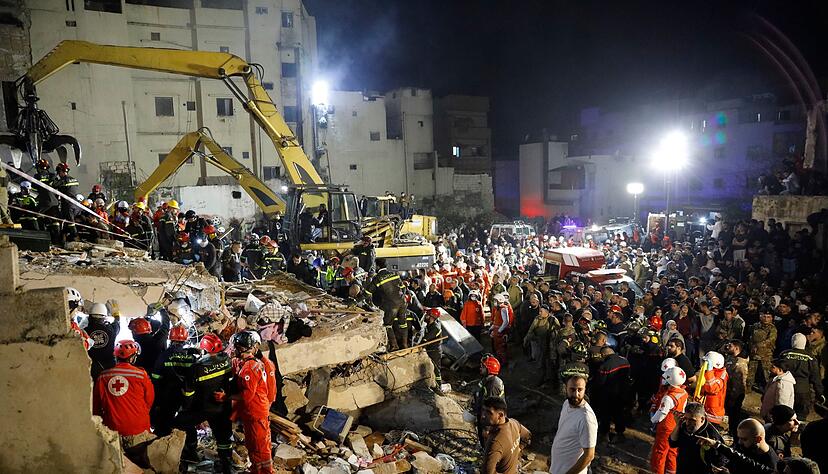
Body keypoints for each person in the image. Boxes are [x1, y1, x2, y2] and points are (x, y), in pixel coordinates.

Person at [178, 333, 234, 472]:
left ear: (203, 349)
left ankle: (189, 453)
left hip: (202, 408)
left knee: (180, 423)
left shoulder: (196, 368)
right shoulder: (226, 360)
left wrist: (185, 408)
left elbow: (188, 393)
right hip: (222, 406)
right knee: (224, 438)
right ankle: (226, 465)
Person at [93, 340, 155, 446]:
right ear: (132, 357)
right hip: (139, 429)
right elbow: (149, 400)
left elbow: (96, 406)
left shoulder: (103, 376)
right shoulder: (141, 375)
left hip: (113, 429)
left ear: (115, 356)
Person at [231, 331, 277, 474]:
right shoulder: (253, 363)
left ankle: (265, 471)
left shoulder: (251, 367)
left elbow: (247, 395)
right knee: (253, 443)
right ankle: (256, 469)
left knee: (260, 445)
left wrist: (227, 396)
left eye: (236, 347)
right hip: (252, 410)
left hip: (256, 410)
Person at [150, 324, 196, 436]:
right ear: (185, 340)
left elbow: (155, 378)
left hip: (167, 395)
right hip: (185, 396)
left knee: (164, 422)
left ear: (170, 339)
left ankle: (163, 442)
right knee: (186, 423)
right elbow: (194, 378)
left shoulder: (164, 355)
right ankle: (189, 448)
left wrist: (156, 399)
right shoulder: (191, 357)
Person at [550, 374, 597, 474]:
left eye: (580, 390)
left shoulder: (586, 419)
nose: (576, 394)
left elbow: (589, 455)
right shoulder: (566, 404)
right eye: (572, 389)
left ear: (585, 389)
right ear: (565, 388)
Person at [696, 418, 778, 473]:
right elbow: (737, 457)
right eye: (739, 438)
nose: (739, 442)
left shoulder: (771, 464)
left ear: (758, 439)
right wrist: (716, 445)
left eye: (744, 439)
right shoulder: (745, 447)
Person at [650, 366, 689, 474]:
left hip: (666, 427)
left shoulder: (668, 397)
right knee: (672, 451)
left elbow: (661, 413)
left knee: (660, 452)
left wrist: (653, 420)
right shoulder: (684, 392)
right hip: (676, 426)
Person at [668, 401, 724, 473]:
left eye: (692, 420)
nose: (688, 422)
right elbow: (672, 443)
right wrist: (678, 425)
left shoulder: (711, 435)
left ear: (702, 419)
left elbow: (721, 460)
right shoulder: (684, 425)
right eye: (686, 418)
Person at [593, 346, 633, 444]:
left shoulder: (605, 366)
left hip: (609, 395)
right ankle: (620, 434)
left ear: (604, 355)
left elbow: (600, 383)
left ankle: (605, 435)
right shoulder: (625, 361)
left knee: (605, 415)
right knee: (619, 414)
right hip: (623, 393)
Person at [480, 397, 531, 474]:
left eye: (489, 412)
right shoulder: (513, 423)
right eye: (483, 410)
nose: (483, 415)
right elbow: (527, 435)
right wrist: (518, 449)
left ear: (500, 415)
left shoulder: (495, 442)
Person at [366, 259, 407, 352]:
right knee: (403, 324)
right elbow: (403, 288)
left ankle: (394, 345)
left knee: (387, 325)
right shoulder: (394, 274)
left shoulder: (378, 278)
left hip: (391, 305)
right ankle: (405, 345)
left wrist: (355, 300)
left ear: (377, 266)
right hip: (402, 302)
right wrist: (400, 298)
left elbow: (367, 292)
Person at [780, 333, 824, 420]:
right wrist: (820, 393)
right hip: (803, 391)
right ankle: (796, 433)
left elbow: (777, 371)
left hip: (785, 388)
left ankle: (781, 432)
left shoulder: (784, 355)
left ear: (793, 342)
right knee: (800, 417)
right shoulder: (811, 358)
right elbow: (816, 378)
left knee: (784, 414)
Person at [474, 355, 506, 446]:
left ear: (489, 369)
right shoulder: (488, 381)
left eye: (483, 366)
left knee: (489, 441)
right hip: (488, 418)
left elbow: (491, 409)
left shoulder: (492, 385)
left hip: (491, 421)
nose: (480, 368)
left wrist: (487, 428)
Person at [129, 304, 171, 374]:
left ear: (134, 332)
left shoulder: (132, 347)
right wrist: (162, 310)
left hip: (141, 376)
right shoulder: (158, 340)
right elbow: (165, 326)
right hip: (158, 375)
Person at [86, 302, 120, 379]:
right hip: (108, 368)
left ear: (90, 317)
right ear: (104, 317)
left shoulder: (84, 331)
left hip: (90, 368)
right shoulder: (111, 330)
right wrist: (116, 314)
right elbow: (117, 324)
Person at [747, 307, 778, 391]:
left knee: (767, 374)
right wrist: (751, 347)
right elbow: (750, 338)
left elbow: (770, 340)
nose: (766, 319)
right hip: (754, 353)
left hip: (766, 355)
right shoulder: (755, 326)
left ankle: (769, 391)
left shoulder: (772, 329)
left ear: (771, 318)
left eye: (768, 317)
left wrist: (757, 345)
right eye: (764, 316)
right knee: (750, 374)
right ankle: (747, 389)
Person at [724, 339, 749, 436]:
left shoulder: (740, 363)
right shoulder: (730, 358)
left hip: (735, 395)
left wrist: (733, 397)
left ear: (737, 348)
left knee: (734, 416)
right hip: (729, 392)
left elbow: (739, 383)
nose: (727, 347)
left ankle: (734, 434)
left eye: (730, 346)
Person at [698, 351, 728, 428]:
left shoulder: (721, 377)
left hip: (713, 414)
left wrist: (709, 371)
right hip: (707, 410)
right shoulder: (712, 373)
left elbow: (712, 388)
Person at [423, 307, 444, 392]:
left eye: (427, 315)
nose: (426, 316)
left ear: (432, 316)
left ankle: (438, 386)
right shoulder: (430, 325)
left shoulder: (435, 327)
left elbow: (426, 339)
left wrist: (420, 343)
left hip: (435, 351)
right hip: (431, 349)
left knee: (436, 369)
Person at [491, 293, 513, 368]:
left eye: (495, 301)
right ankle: (499, 361)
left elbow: (506, 321)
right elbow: (496, 320)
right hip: (497, 329)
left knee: (501, 347)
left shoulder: (503, 309)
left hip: (500, 331)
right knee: (497, 347)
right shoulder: (498, 309)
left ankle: (503, 362)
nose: (494, 302)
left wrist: (499, 331)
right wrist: (492, 328)